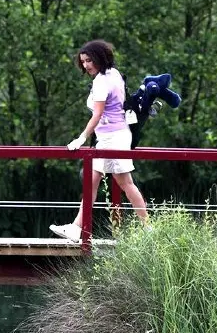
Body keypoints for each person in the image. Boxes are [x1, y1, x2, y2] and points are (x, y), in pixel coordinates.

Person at [49, 39, 148, 241]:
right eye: (83, 61)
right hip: (110, 137)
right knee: (91, 182)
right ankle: (76, 227)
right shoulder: (114, 74)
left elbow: (97, 114)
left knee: (126, 184)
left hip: (113, 138)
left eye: (89, 60)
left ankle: (148, 228)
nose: (86, 65)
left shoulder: (102, 80)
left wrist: (81, 138)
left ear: (99, 57)